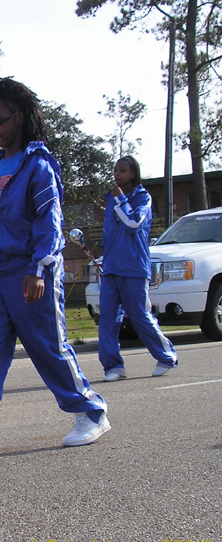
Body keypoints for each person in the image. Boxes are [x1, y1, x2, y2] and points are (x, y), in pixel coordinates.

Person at [0, 78, 110, 460]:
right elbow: (7, 221)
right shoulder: (0, 165)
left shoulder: (39, 166)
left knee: (48, 348)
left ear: (20, 117)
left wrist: (39, 269)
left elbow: (49, 222)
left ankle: (90, 412)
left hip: (30, 273)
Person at [98, 156, 178, 381]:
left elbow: (133, 224)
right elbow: (110, 235)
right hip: (112, 268)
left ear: (132, 174)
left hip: (134, 267)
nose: (117, 174)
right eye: (115, 170)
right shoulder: (111, 200)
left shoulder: (142, 198)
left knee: (139, 315)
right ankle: (113, 367)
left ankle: (166, 356)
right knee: (108, 319)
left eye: (122, 171)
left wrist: (121, 200)